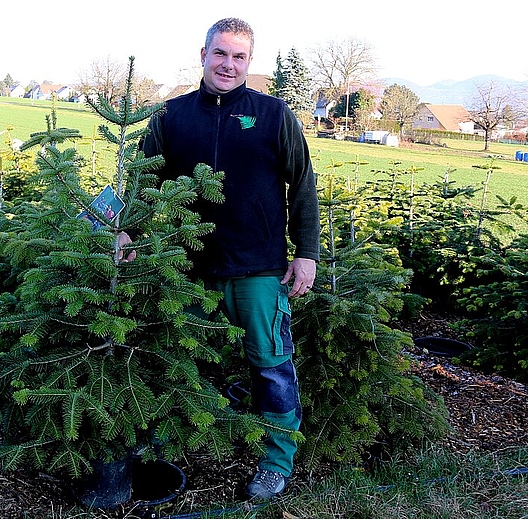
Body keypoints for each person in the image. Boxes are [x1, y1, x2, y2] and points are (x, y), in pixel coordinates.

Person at [141, 17, 320, 501]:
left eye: (239, 57)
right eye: (220, 54)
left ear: (249, 63)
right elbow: (139, 182)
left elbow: (302, 182)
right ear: (202, 55)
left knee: (271, 366)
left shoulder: (273, 114)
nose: (228, 64)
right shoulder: (170, 117)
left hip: (258, 267)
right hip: (187, 268)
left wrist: (306, 253)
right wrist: (125, 232)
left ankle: (276, 461)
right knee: (177, 360)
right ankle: (162, 447)